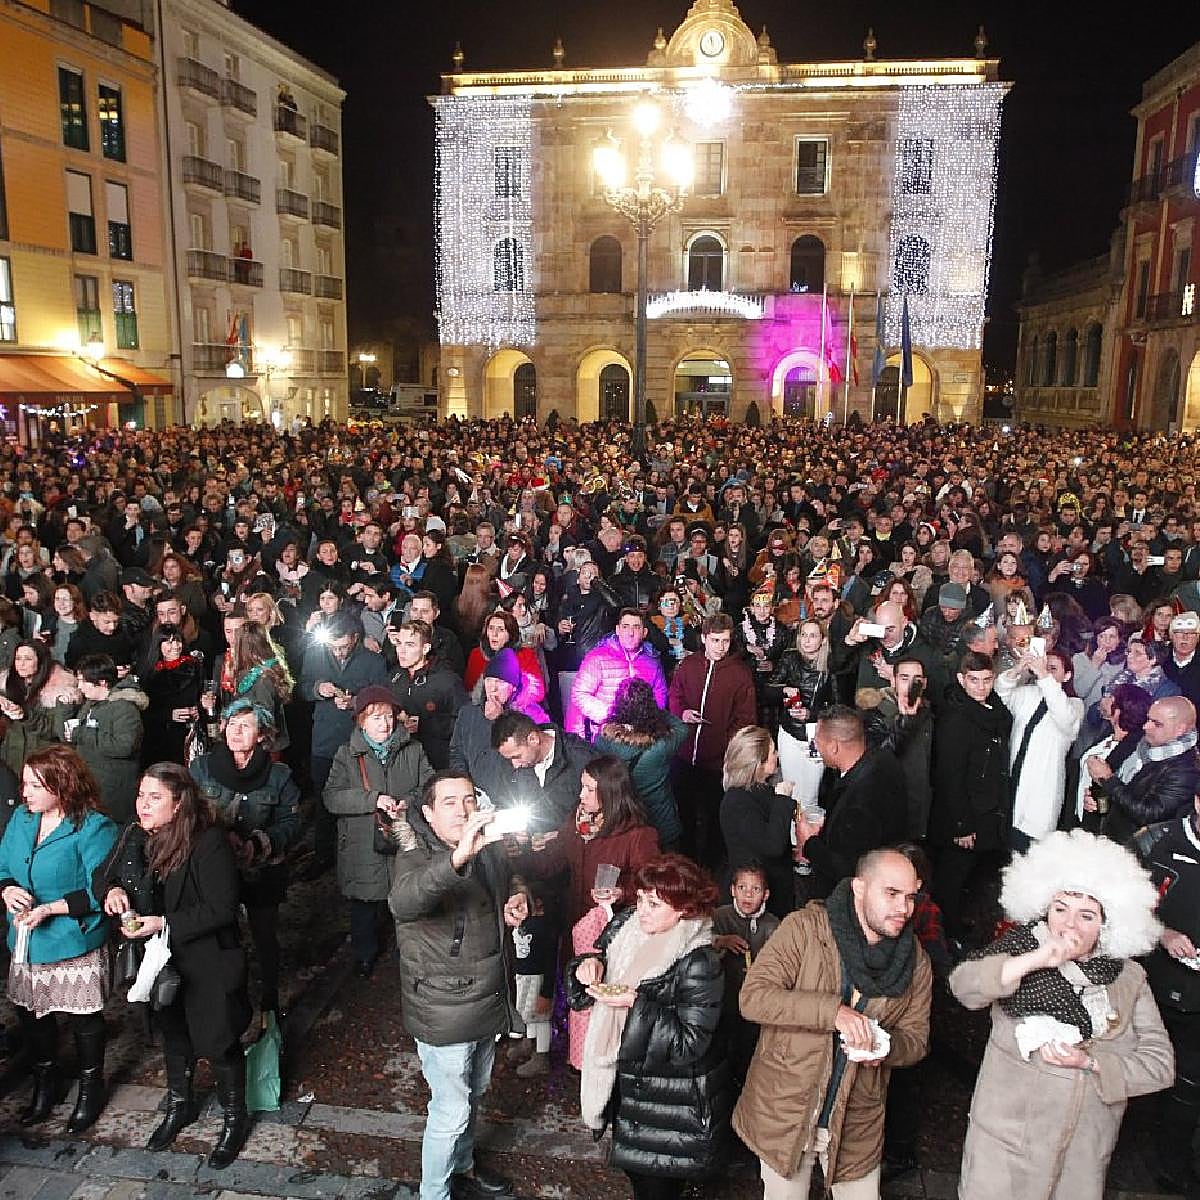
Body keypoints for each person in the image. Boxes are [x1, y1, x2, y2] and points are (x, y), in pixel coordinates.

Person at [950, 830, 1173, 1200]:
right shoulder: (1020, 952)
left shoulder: (1129, 978)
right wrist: (1037, 959)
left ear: (1108, 923)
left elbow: (1160, 1066)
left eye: (1087, 915)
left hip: (1080, 1163)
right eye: (1060, 909)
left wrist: (1092, 1063)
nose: (1069, 925)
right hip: (1005, 1157)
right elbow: (964, 987)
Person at [734, 848, 933, 1199]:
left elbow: (915, 1039)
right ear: (859, 888)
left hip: (858, 1121)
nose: (904, 908)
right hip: (786, 1110)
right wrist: (833, 1012)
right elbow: (753, 997)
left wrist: (886, 1048)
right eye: (891, 894)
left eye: (910, 897)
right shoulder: (806, 929)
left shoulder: (914, 961)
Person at [95, 763, 253, 1167]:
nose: (143, 805)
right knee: (174, 1035)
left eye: (155, 798)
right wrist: (113, 890)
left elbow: (221, 907)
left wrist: (164, 922)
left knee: (218, 1041)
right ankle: (179, 1107)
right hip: (160, 961)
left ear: (179, 803)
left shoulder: (208, 841)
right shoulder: (135, 834)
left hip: (206, 958)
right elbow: (104, 874)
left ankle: (235, 1119)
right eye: (141, 795)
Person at [388, 769, 527, 1200]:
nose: (463, 810)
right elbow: (404, 901)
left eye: (469, 799)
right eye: (449, 802)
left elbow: (511, 878)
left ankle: (464, 1165)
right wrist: (456, 858)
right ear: (428, 813)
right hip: (443, 1007)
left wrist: (517, 898)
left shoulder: (488, 844)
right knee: (451, 1108)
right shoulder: (414, 857)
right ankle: (434, 1193)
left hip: (487, 995)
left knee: (476, 1092)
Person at [568, 854, 731, 1200]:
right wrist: (587, 967)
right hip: (629, 1093)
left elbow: (689, 1043)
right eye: (641, 898)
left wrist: (635, 1004)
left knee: (657, 1188)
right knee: (639, 1178)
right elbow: (598, 956)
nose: (642, 909)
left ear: (685, 909)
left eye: (654, 904)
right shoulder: (627, 926)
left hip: (670, 1109)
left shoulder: (698, 960)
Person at [0, 745, 117, 1132]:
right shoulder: (21, 818)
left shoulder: (94, 827)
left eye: (35, 785)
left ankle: (89, 1089)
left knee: (84, 1020)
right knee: (33, 1016)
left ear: (63, 786)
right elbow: (3, 866)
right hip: (26, 938)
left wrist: (50, 909)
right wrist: (6, 890)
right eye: (25, 783)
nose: (25, 792)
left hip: (72, 936)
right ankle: (45, 1085)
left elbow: (99, 890)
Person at [189, 701, 302, 1020]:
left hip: (262, 869)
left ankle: (269, 1002)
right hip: (214, 868)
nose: (237, 732)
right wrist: (219, 837)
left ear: (262, 735)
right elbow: (188, 813)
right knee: (221, 937)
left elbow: (291, 824)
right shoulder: (202, 769)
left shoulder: (278, 776)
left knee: (265, 936)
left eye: (246, 726)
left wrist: (259, 843)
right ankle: (227, 1002)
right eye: (232, 724)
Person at [325, 685, 433, 977]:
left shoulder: (413, 749)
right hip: (363, 842)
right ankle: (364, 956)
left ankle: (407, 956)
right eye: (375, 718)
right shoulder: (346, 755)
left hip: (402, 837)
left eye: (388, 716)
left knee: (406, 902)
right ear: (361, 721)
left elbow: (428, 786)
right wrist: (373, 800)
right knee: (364, 907)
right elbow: (332, 797)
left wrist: (406, 803)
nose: (384, 724)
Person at [1132, 791, 1200, 1193]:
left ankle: (1173, 1168)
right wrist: (1164, 933)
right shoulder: (1155, 842)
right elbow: (1121, 904)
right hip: (1153, 986)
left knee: (1190, 1087)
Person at [515, 753, 660, 927]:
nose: (581, 795)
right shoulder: (577, 821)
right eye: (582, 786)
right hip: (575, 922)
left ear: (610, 794)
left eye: (590, 789)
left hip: (611, 928)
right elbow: (550, 863)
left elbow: (652, 884)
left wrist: (621, 892)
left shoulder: (638, 835)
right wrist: (520, 851)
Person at [928, 651, 1013, 943]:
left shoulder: (992, 710)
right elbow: (949, 776)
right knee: (952, 877)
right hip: (963, 815)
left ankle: (958, 925)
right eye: (974, 681)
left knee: (970, 875)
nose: (981, 687)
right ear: (961, 680)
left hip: (986, 806)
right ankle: (943, 933)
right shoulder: (956, 718)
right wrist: (962, 825)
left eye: (987, 680)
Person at [300, 610, 389, 877]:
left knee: (362, 800)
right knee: (324, 799)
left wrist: (356, 703)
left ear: (355, 638)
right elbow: (301, 688)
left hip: (360, 744)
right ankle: (323, 854)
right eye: (333, 647)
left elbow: (383, 697)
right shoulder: (315, 655)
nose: (338, 652)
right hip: (324, 743)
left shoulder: (374, 662)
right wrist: (318, 689)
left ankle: (363, 857)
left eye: (343, 646)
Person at [669, 613, 757, 869]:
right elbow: (675, 695)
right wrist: (683, 712)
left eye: (726, 641)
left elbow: (745, 719)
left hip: (717, 762)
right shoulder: (688, 666)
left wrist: (726, 746)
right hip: (684, 756)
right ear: (703, 639)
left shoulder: (740, 674)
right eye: (715, 640)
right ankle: (686, 861)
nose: (720, 647)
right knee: (684, 812)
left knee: (715, 816)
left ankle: (711, 866)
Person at [795, 707, 909, 902]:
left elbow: (846, 869)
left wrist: (809, 843)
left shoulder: (859, 801)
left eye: (817, 740)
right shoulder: (883, 759)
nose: (815, 745)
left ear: (834, 747)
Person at [995, 647, 1084, 851]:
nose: (1046, 671)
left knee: (1029, 852)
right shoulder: (1027, 694)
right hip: (1011, 782)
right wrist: (1018, 669)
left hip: (1041, 789)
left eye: (1053, 668)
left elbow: (1065, 718)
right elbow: (1000, 694)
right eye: (1045, 666)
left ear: (1067, 675)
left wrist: (1044, 676)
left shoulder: (1074, 705)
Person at [1085, 695, 1200, 844]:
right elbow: (1113, 785)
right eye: (1148, 719)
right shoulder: (1139, 740)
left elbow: (1148, 813)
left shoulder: (1187, 770)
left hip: (1133, 851)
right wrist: (1096, 800)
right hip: (1104, 836)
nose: (1146, 726)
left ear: (1180, 729)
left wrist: (1108, 780)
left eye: (1156, 723)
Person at [594, 678, 689, 852]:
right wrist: (655, 712)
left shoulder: (603, 741)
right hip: (663, 824)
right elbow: (682, 728)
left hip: (626, 823)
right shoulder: (662, 745)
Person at [712, 864, 781, 1088]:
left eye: (756, 889)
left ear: (766, 894)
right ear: (732, 890)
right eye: (742, 887)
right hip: (725, 998)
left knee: (749, 1049)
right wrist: (721, 941)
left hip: (756, 1005)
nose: (748, 894)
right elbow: (700, 941)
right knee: (723, 1047)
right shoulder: (719, 916)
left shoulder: (773, 925)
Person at [719, 727, 797, 919]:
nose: (777, 754)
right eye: (772, 752)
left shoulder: (758, 790)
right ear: (757, 763)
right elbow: (772, 846)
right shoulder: (738, 801)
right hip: (754, 896)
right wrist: (783, 799)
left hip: (770, 886)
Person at [65, 653, 147, 824]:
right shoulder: (90, 704)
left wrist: (84, 733)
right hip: (89, 785)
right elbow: (70, 736)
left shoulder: (125, 709)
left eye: (83, 681)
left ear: (102, 682)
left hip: (112, 793)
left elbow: (125, 746)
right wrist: (64, 708)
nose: (79, 686)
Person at [564, 607, 668, 741]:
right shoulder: (597, 657)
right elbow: (580, 694)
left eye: (636, 627)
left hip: (640, 737)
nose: (630, 633)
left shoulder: (652, 662)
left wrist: (646, 720)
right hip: (604, 736)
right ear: (618, 630)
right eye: (625, 627)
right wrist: (611, 714)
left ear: (644, 632)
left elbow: (660, 695)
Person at [860, 657, 935, 841]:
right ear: (893, 680)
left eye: (916, 679)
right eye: (904, 678)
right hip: (889, 811)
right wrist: (904, 721)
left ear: (924, 683)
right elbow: (880, 759)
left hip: (922, 810)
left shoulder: (928, 712)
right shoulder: (875, 712)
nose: (910, 684)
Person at [491, 710, 593, 835]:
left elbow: (602, 816)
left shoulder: (582, 759)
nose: (515, 765)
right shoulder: (518, 763)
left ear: (533, 739)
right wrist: (520, 837)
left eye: (517, 756)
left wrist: (562, 836)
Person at [386, 617, 469, 770]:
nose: (402, 651)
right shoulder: (394, 676)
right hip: (400, 762)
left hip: (435, 763)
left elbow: (465, 722)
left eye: (410, 645)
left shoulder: (447, 680)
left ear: (425, 648)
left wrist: (426, 725)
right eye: (399, 643)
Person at [138, 624, 205, 767]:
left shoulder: (194, 667)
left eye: (178, 641)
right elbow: (145, 712)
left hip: (190, 735)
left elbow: (203, 696)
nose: (175, 646)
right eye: (168, 642)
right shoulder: (150, 675)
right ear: (159, 645)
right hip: (161, 740)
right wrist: (168, 715)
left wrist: (199, 709)